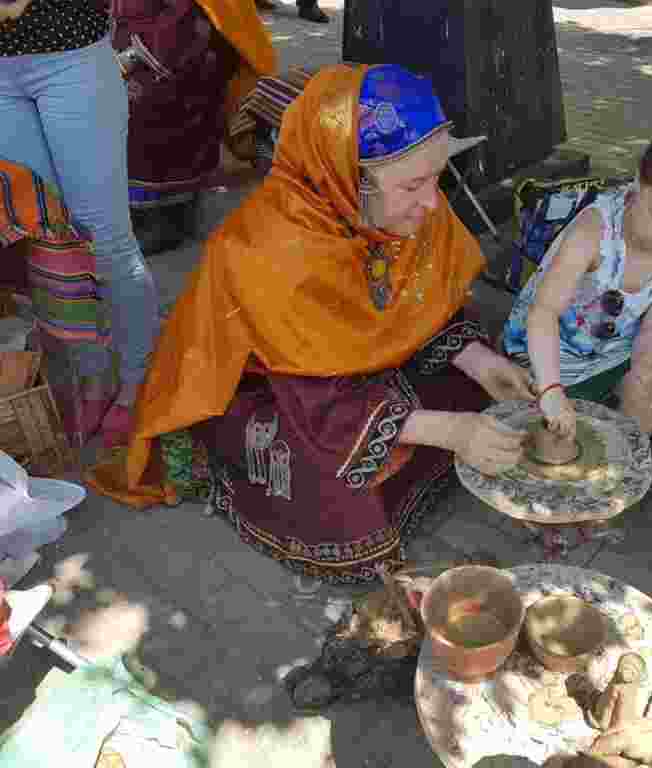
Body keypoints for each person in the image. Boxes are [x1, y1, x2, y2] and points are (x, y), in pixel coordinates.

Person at [86, 64, 534, 584]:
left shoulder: (409, 209)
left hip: (359, 370)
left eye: (439, 176)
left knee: (473, 387)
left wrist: (483, 363)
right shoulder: (264, 253)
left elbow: (425, 305)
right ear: (345, 177)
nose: (433, 203)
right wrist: (451, 430)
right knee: (340, 489)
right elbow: (317, 402)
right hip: (278, 394)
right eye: (413, 184)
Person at [502, 118, 652, 439]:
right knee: (549, 437)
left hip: (612, 353)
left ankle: (625, 469)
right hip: (541, 354)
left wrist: (645, 369)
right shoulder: (594, 231)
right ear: (639, 182)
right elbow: (543, 313)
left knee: (645, 398)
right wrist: (551, 388)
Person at [1, 0, 161, 448]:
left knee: (105, 239)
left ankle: (137, 381)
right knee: (51, 236)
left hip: (70, 57)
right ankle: (94, 379)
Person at [111, 0, 277, 255]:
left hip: (175, 48)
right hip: (137, 40)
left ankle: (167, 222)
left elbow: (187, 18)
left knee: (156, 128)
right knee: (129, 126)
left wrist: (140, 53)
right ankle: (146, 214)